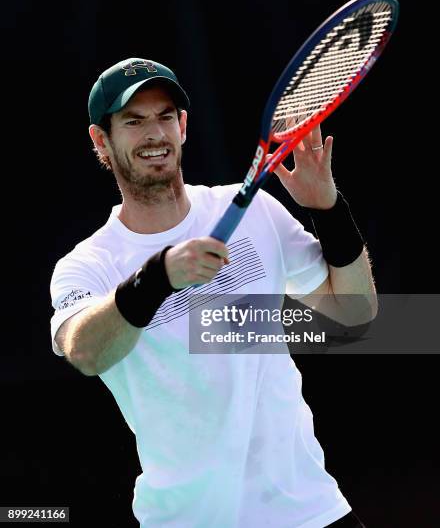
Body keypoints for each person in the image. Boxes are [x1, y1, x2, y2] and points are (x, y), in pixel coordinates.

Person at [50, 57, 374, 527]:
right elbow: (85, 352)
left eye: (165, 116)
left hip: (311, 511)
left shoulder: (255, 212)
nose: (154, 134)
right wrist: (158, 277)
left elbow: (354, 314)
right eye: (134, 121)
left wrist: (328, 210)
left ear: (183, 125)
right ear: (102, 140)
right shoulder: (88, 265)